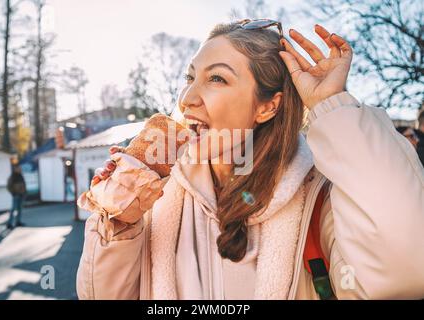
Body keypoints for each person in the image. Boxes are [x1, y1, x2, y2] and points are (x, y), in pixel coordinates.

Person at [76, 20, 424, 299]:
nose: (187, 98)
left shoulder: (321, 201)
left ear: (267, 106)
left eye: (216, 78)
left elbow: (406, 273)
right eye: (190, 77)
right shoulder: (157, 197)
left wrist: (333, 105)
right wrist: (119, 222)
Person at [6, 164, 27, 229]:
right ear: (15, 169)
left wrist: (25, 192)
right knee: (13, 209)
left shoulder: (21, 175)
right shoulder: (12, 177)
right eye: (18, 168)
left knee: (20, 209)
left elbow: (24, 184)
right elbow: (9, 186)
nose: (20, 169)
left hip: (22, 195)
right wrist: (14, 193)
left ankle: (18, 222)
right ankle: (9, 223)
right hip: (16, 195)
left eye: (20, 168)